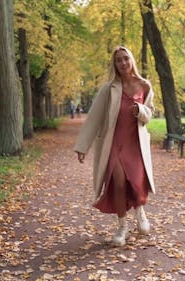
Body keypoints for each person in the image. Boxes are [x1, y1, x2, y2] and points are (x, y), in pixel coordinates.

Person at [74, 46, 156, 246]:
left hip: (135, 144)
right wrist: (82, 146)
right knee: (118, 182)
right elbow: (94, 117)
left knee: (136, 181)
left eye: (125, 59)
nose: (123, 63)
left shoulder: (144, 85)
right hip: (114, 144)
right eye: (118, 60)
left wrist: (141, 111)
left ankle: (140, 212)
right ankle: (121, 227)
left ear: (131, 60)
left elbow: (150, 114)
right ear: (115, 64)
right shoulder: (109, 89)